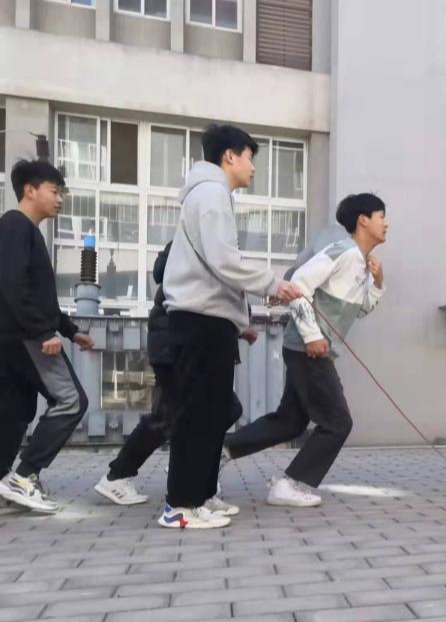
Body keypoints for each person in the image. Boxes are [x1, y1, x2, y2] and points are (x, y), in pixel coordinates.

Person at [159, 124, 302, 529]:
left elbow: (217, 268)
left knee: (213, 413)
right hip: (199, 322)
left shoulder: (210, 194)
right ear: (229, 156)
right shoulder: (211, 194)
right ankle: (180, 506)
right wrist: (273, 283)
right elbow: (224, 261)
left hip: (210, 322)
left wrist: (241, 318)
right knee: (198, 415)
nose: (253, 167)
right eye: (250, 157)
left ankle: (202, 495)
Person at [223, 193, 386, 507]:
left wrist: (378, 281)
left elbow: (363, 309)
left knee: (290, 422)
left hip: (311, 349)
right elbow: (298, 283)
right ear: (363, 220)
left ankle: (219, 451)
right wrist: (312, 335)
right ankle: (290, 484)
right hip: (307, 349)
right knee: (338, 423)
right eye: (381, 216)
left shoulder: (362, 265)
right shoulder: (343, 251)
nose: (386, 223)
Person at [93, 240, 251, 511]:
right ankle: (124, 475)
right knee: (175, 415)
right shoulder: (194, 247)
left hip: (184, 343)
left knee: (206, 412)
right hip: (178, 344)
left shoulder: (202, 248)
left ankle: (193, 481)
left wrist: (238, 326)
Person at [0, 160, 95, 513]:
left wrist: (70, 331)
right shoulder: (16, 226)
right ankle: (24, 477)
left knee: (15, 411)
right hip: (26, 337)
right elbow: (11, 285)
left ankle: (4, 483)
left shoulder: (26, 231)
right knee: (71, 400)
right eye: (55, 191)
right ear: (30, 190)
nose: (60, 199)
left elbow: (39, 297)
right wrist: (43, 332)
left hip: (16, 337)